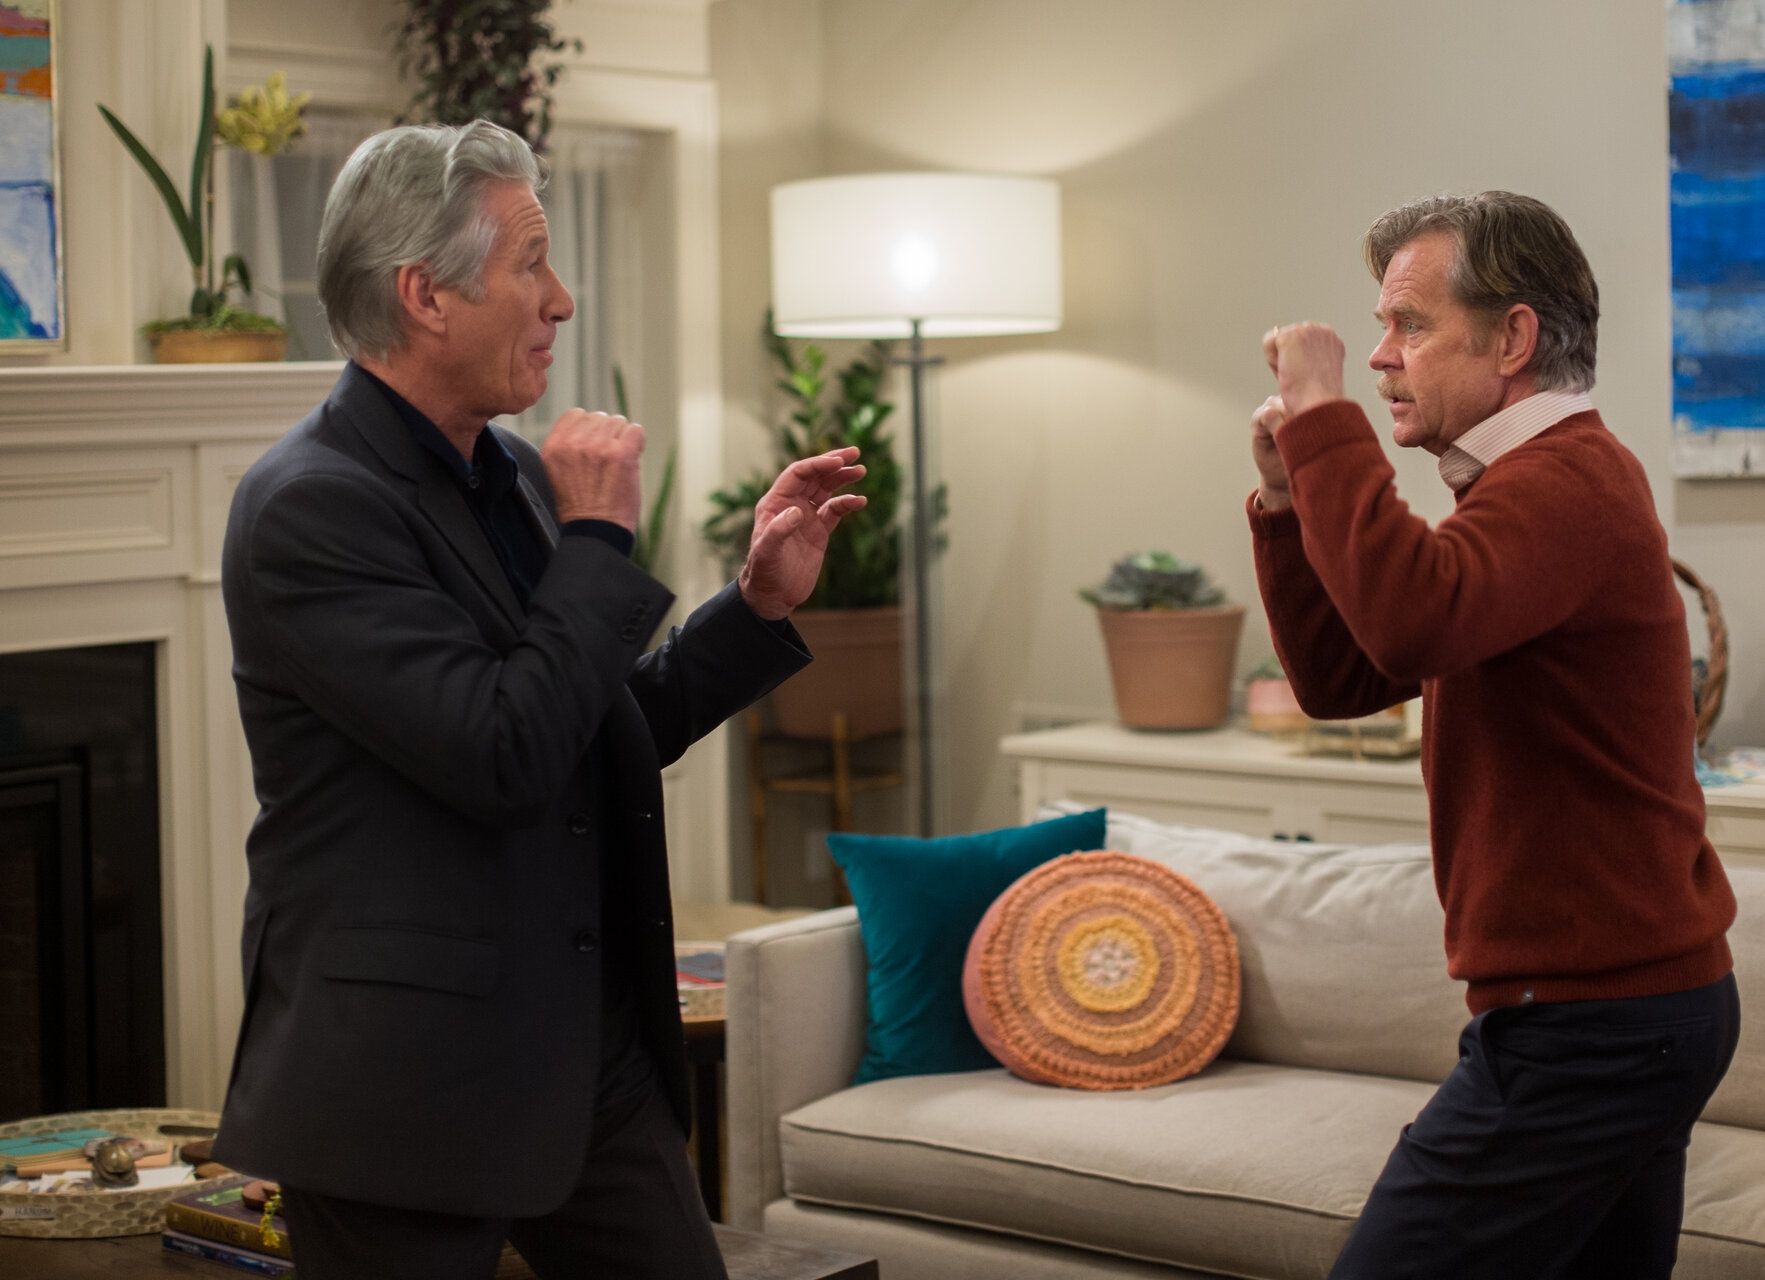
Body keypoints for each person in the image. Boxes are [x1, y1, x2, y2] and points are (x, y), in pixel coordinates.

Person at [212, 119, 865, 1280]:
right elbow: (502, 753)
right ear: (426, 295)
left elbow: (584, 731)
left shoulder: (513, 471)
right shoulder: (308, 505)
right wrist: (599, 538)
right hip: (401, 1085)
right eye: (531, 263)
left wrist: (756, 605)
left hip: (582, 1051)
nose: (561, 299)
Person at [1248, 191, 1740, 1278]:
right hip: (1622, 1014)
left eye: (1409, 325)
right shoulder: (1527, 490)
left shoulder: (1566, 481)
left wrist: (1323, 414)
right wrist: (1287, 504)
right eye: (1380, 329)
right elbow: (1343, 675)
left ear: (1512, 337)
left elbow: (1412, 616)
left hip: (1593, 1027)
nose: (1383, 356)